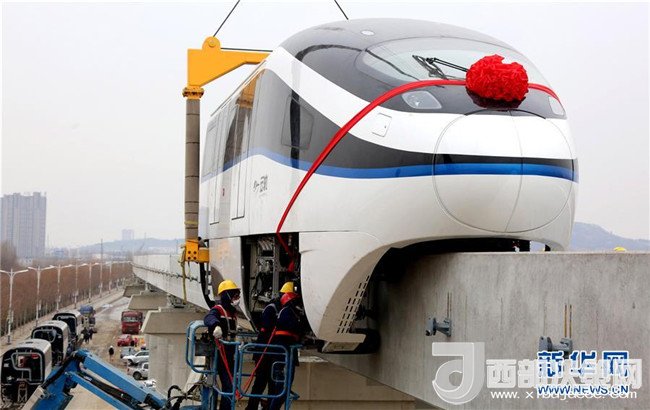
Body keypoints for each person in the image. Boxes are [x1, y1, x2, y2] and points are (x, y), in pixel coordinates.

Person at [245, 281, 294, 410]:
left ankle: (268, 407)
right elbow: (267, 327)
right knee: (260, 383)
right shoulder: (271, 308)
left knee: (273, 384)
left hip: (273, 353)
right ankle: (251, 408)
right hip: (264, 351)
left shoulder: (285, 310)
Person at [204, 280, 241, 410]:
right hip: (221, 353)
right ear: (226, 295)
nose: (237, 298)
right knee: (228, 385)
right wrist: (216, 326)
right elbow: (208, 318)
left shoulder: (232, 313)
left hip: (231, 353)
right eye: (235, 295)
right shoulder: (218, 309)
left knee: (231, 384)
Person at [268, 291, 306, 410]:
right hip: (283, 354)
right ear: (291, 302)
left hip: (285, 353)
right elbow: (293, 327)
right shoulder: (287, 312)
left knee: (284, 389)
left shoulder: (289, 312)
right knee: (282, 389)